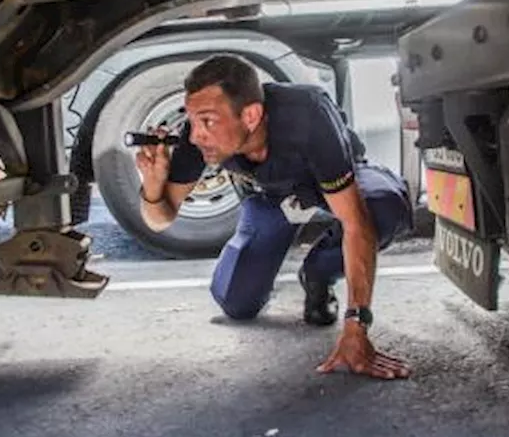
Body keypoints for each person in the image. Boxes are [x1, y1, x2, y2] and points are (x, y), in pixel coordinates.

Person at [135, 54, 413, 380]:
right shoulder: (196, 136)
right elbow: (159, 219)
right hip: (270, 198)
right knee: (237, 304)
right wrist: (152, 188)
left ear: (251, 115)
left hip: (324, 184)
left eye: (207, 121)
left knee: (383, 208)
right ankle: (260, 262)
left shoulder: (308, 115)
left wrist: (357, 326)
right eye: (193, 121)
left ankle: (319, 272)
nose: (196, 135)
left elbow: (355, 221)